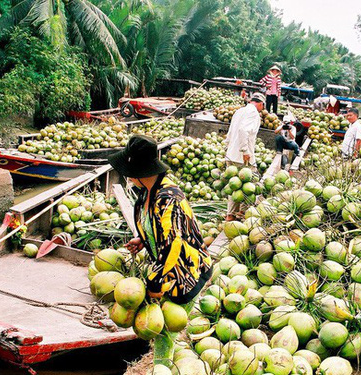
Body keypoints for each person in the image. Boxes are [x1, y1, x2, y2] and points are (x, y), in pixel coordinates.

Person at [109, 135, 213, 365]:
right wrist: (143, 240)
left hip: (186, 271)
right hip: (167, 270)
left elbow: (173, 244)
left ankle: (161, 367)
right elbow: (159, 230)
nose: (125, 176)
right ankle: (164, 362)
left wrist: (155, 285)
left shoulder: (169, 198)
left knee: (165, 330)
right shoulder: (148, 192)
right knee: (163, 328)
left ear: (137, 171)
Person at [224, 93, 265, 221]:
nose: (262, 109)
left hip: (232, 154)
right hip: (242, 156)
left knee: (234, 186)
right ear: (260, 103)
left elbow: (231, 132)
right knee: (249, 185)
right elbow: (243, 130)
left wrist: (227, 147)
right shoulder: (253, 113)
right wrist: (245, 150)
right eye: (263, 106)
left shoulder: (239, 111)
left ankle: (231, 215)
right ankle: (243, 213)